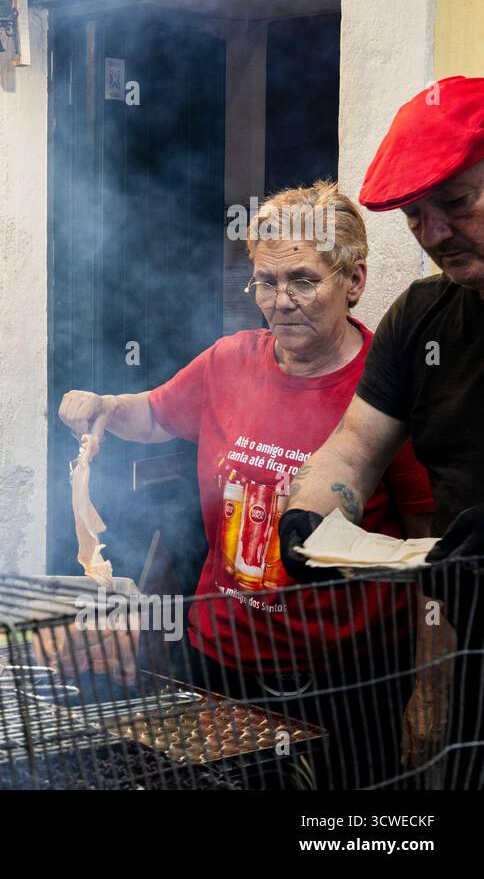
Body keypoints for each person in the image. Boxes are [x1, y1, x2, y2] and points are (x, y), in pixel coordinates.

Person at [57, 181, 435, 788]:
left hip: (350, 684)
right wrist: (104, 405)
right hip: (222, 664)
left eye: (304, 280)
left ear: (355, 282)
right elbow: (153, 413)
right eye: (266, 281)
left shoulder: (385, 390)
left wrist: (430, 684)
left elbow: (425, 540)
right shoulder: (228, 361)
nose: (281, 301)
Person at [282, 76, 484, 787]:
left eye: (456, 204)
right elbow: (357, 446)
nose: (434, 236)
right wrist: (313, 508)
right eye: (415, 216)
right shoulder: (423, 318)